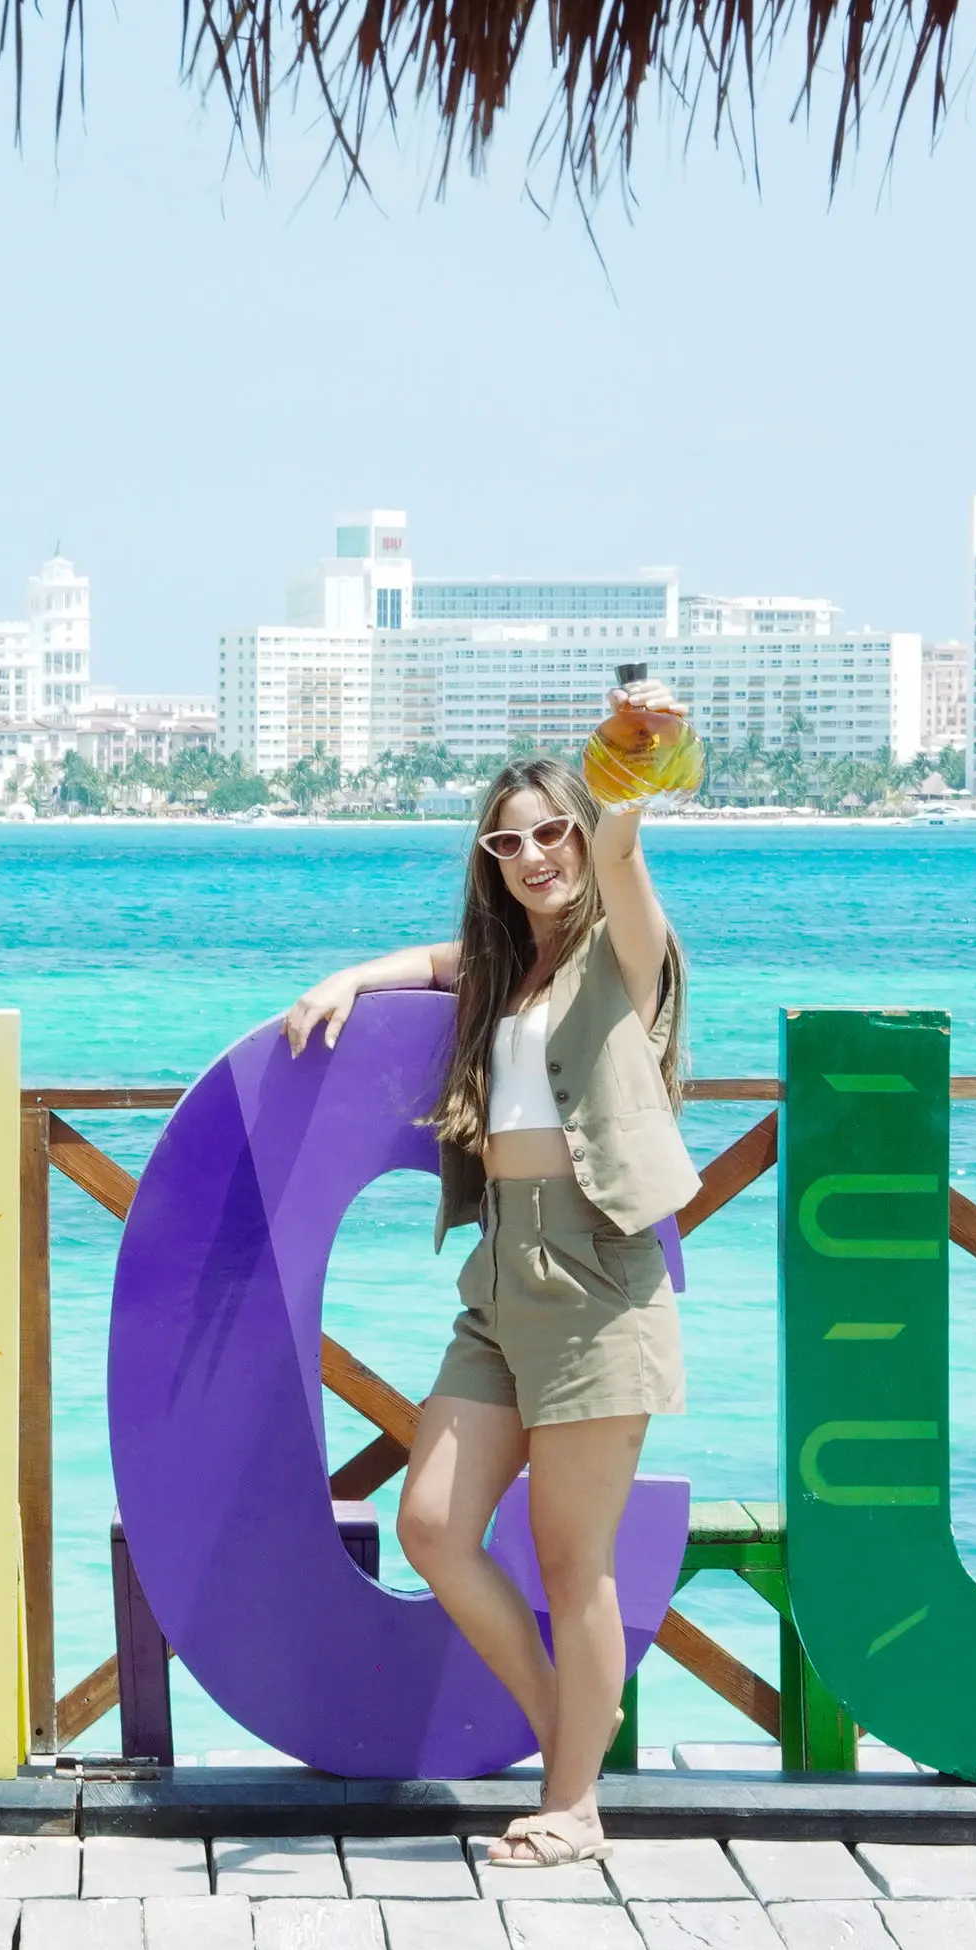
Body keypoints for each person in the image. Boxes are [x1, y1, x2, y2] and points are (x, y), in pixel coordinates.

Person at [281, 683, 702, 1868]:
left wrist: (629, 754)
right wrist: (348, 981)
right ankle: (566, 1730)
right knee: (431, 1520)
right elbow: (432, 953)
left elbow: (623, 847)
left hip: (597, 1275)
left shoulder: (628, 953)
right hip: (499, 1274)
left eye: (549, 830)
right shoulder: (504, 965)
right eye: (507, 839)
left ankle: (575, 1803)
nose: (533, 855)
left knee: (574, 1562)